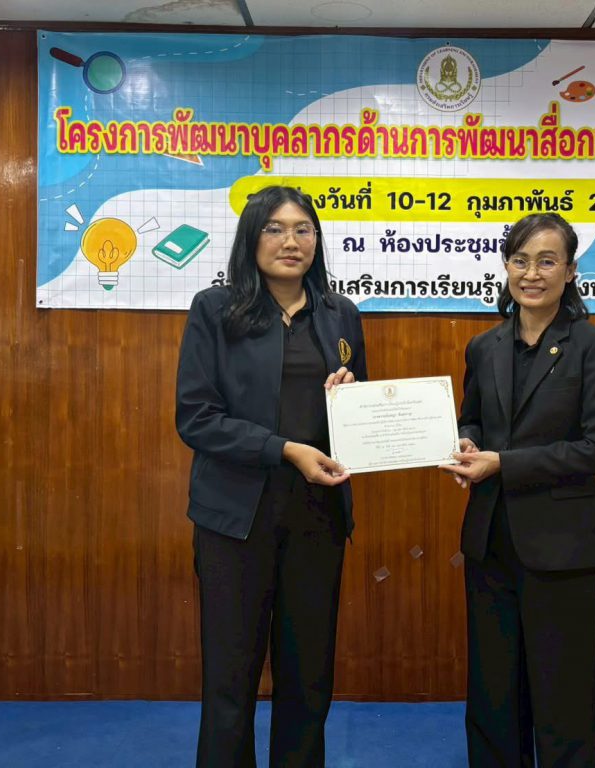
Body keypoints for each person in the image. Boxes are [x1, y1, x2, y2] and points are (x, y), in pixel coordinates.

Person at [176, 185, 366, 767]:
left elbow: (355, 417)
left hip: (317, 516)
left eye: (303, 229)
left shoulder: (340, 313)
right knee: (230, 677)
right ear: (251, 238)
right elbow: (196, 417)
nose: (291, 241)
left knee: (309, 676)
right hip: (236, 517)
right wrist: (284, 449)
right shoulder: (215, 309)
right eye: (275, 229)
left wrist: (352, 401)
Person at [442, 213, 595, 767]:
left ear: (570, 271)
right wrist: (467, 444)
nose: (532, 274)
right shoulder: (484, 347)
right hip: (491, 540)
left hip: (564, 545)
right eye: (520, 260)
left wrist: (503, 463)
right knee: (494, 692)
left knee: (565, 693)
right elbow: (473, 419)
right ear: (506, 267)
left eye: (547, 261)